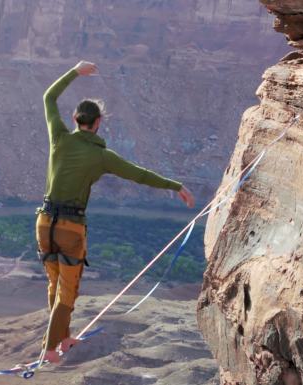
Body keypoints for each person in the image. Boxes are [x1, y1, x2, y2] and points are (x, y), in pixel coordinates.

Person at [36, 60, 195, 363]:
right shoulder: (101, 156)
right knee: (67, 292)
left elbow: (48, 97)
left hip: (44, 223)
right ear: (97, 124)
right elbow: (139, 174)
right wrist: (175, 186)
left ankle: (60, 339)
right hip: (71, 227)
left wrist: (75, 71)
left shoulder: (59, 137)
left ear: (74, 119)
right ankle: (50, 351)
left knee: (55, 286)